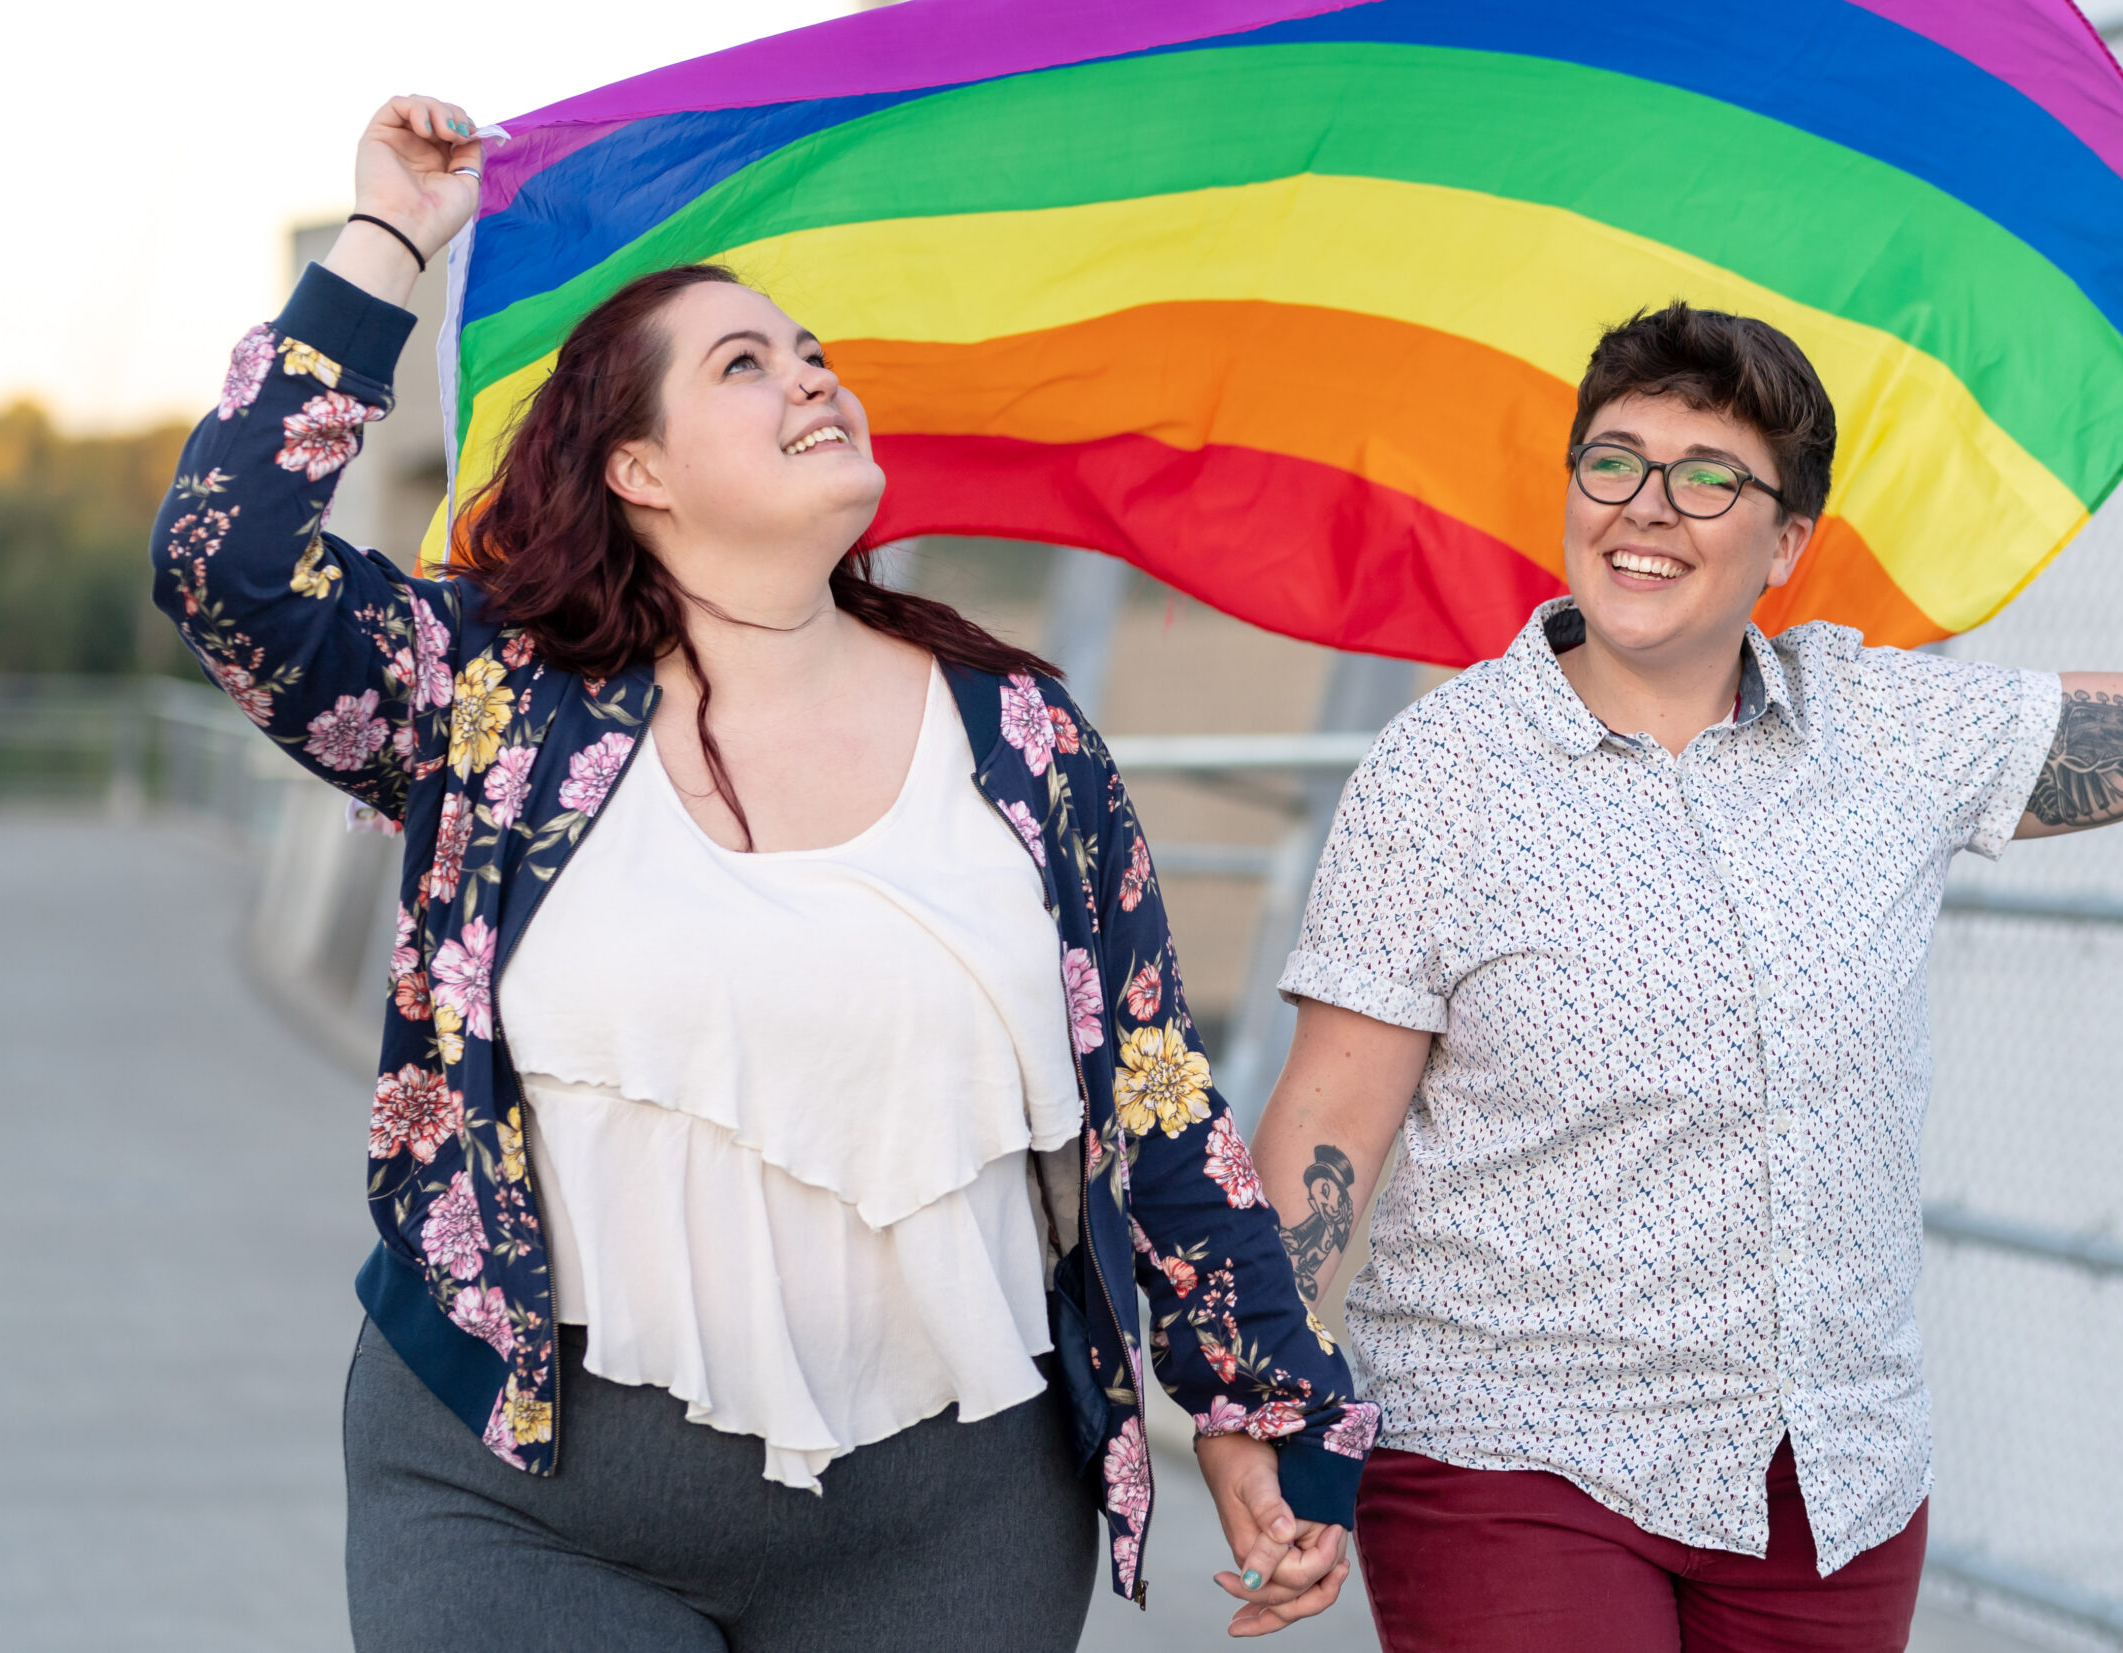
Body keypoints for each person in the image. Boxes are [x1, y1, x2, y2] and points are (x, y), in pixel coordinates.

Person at [153, 96, 1373, 1650]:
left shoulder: (1018, 736)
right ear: (639, 468)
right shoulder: (491, 703)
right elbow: (226, 561)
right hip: (522, 1496)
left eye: (817, 354)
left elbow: (1154, 1094)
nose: (812, 375)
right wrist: (388, 237)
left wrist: (1259, 1393)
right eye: (747, 362)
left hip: (948, 1528)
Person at [1253, 259, 2123, 1652]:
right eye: (1615, 462)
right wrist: (1264, 1414)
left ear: (1785, 544)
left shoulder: (1885, 731)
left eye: (1709, 477)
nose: (1645, 506)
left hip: (1832, 1487)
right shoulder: (1441, 776)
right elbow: (1325, 1129)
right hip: (1514, 1462)